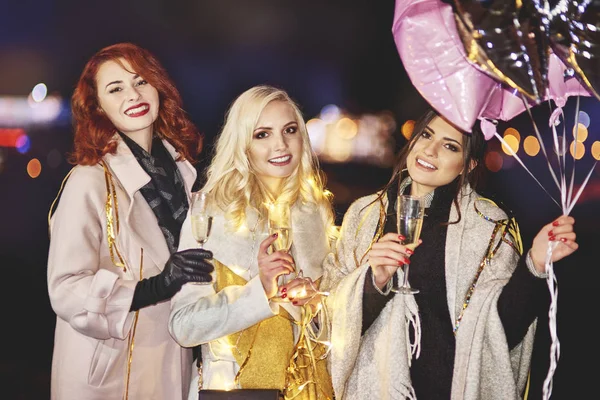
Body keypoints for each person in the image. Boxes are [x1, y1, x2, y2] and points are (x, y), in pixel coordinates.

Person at [320, 109, 578, 400]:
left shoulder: (489, 225)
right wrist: (372, 283)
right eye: (426, 135)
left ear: (467, 165)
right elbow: (329, 321)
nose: (430, 150)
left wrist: (535, 264)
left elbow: (500, 331)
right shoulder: (365, 215)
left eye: (449, 146)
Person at [47, 42, 214, 400]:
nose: (133, 95)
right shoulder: (89, 180)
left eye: (141, 82)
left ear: (158, 88)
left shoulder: (181, 171)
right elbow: (65, 288)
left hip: (171, 360)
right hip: (109, 373)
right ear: (97, 106)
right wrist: (152, 288)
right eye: (116, 88)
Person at [168, 85, 336, 400]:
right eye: (262, 134)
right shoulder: (210, 215)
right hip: (236, 391)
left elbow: (329, 331)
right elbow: (183, 325)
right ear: (243, 144)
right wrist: (262, 292)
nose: (281, 145)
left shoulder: (314, 212)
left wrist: (315, 306)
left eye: (290, 130)